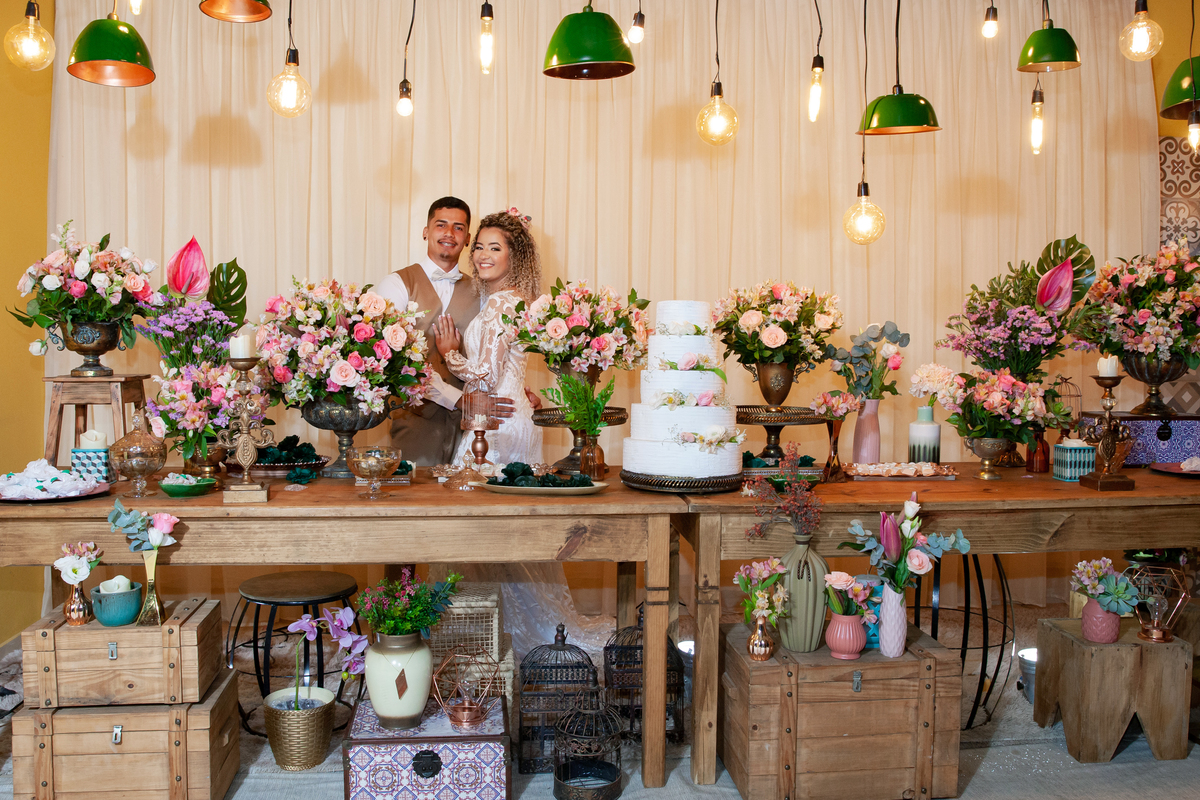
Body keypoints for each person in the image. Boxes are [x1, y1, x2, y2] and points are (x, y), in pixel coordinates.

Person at [376, 197, 521, 465]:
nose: (449, 233)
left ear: (467, 238)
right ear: (425, 231)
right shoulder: (396, 284)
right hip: (415, 422)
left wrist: (518, 388)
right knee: (416, 500)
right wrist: (457, 399)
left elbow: (495, 348)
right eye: (441, 225)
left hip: (472, 426)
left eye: (458, 227)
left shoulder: (484, 291)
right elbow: (391, 364)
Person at [435, 210, 543, 465]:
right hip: (512, 413)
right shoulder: (517, 299)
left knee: (472, 498)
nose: (483, 255)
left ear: (514, 257)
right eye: (480, 247)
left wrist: (449, 353)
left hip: (497, 423)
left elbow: (486, 374)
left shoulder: (500, 303)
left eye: (495, 248)